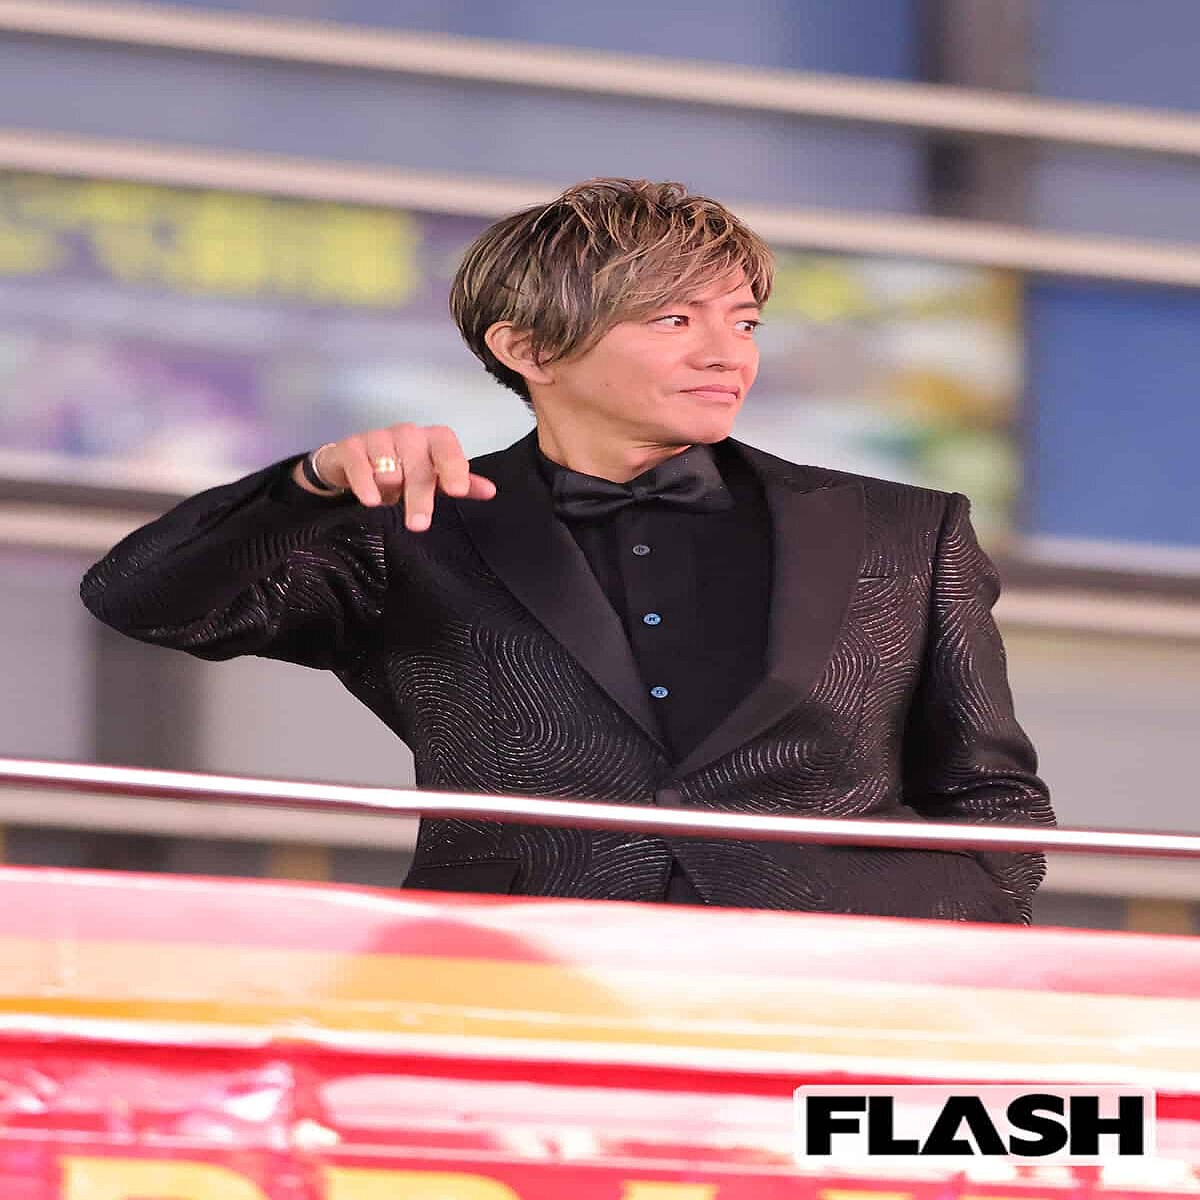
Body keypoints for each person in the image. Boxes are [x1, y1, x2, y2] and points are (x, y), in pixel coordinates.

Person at [81, 177, 1054, 922]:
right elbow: (145, 599)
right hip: (512, 981)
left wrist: (912, 932)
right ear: (529, 349)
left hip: (834, 990)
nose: (727, 353)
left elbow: (992, 797)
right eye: (674, 319)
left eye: (744, 322)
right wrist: (309, 483)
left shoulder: (904, 529)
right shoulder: (413, 525)